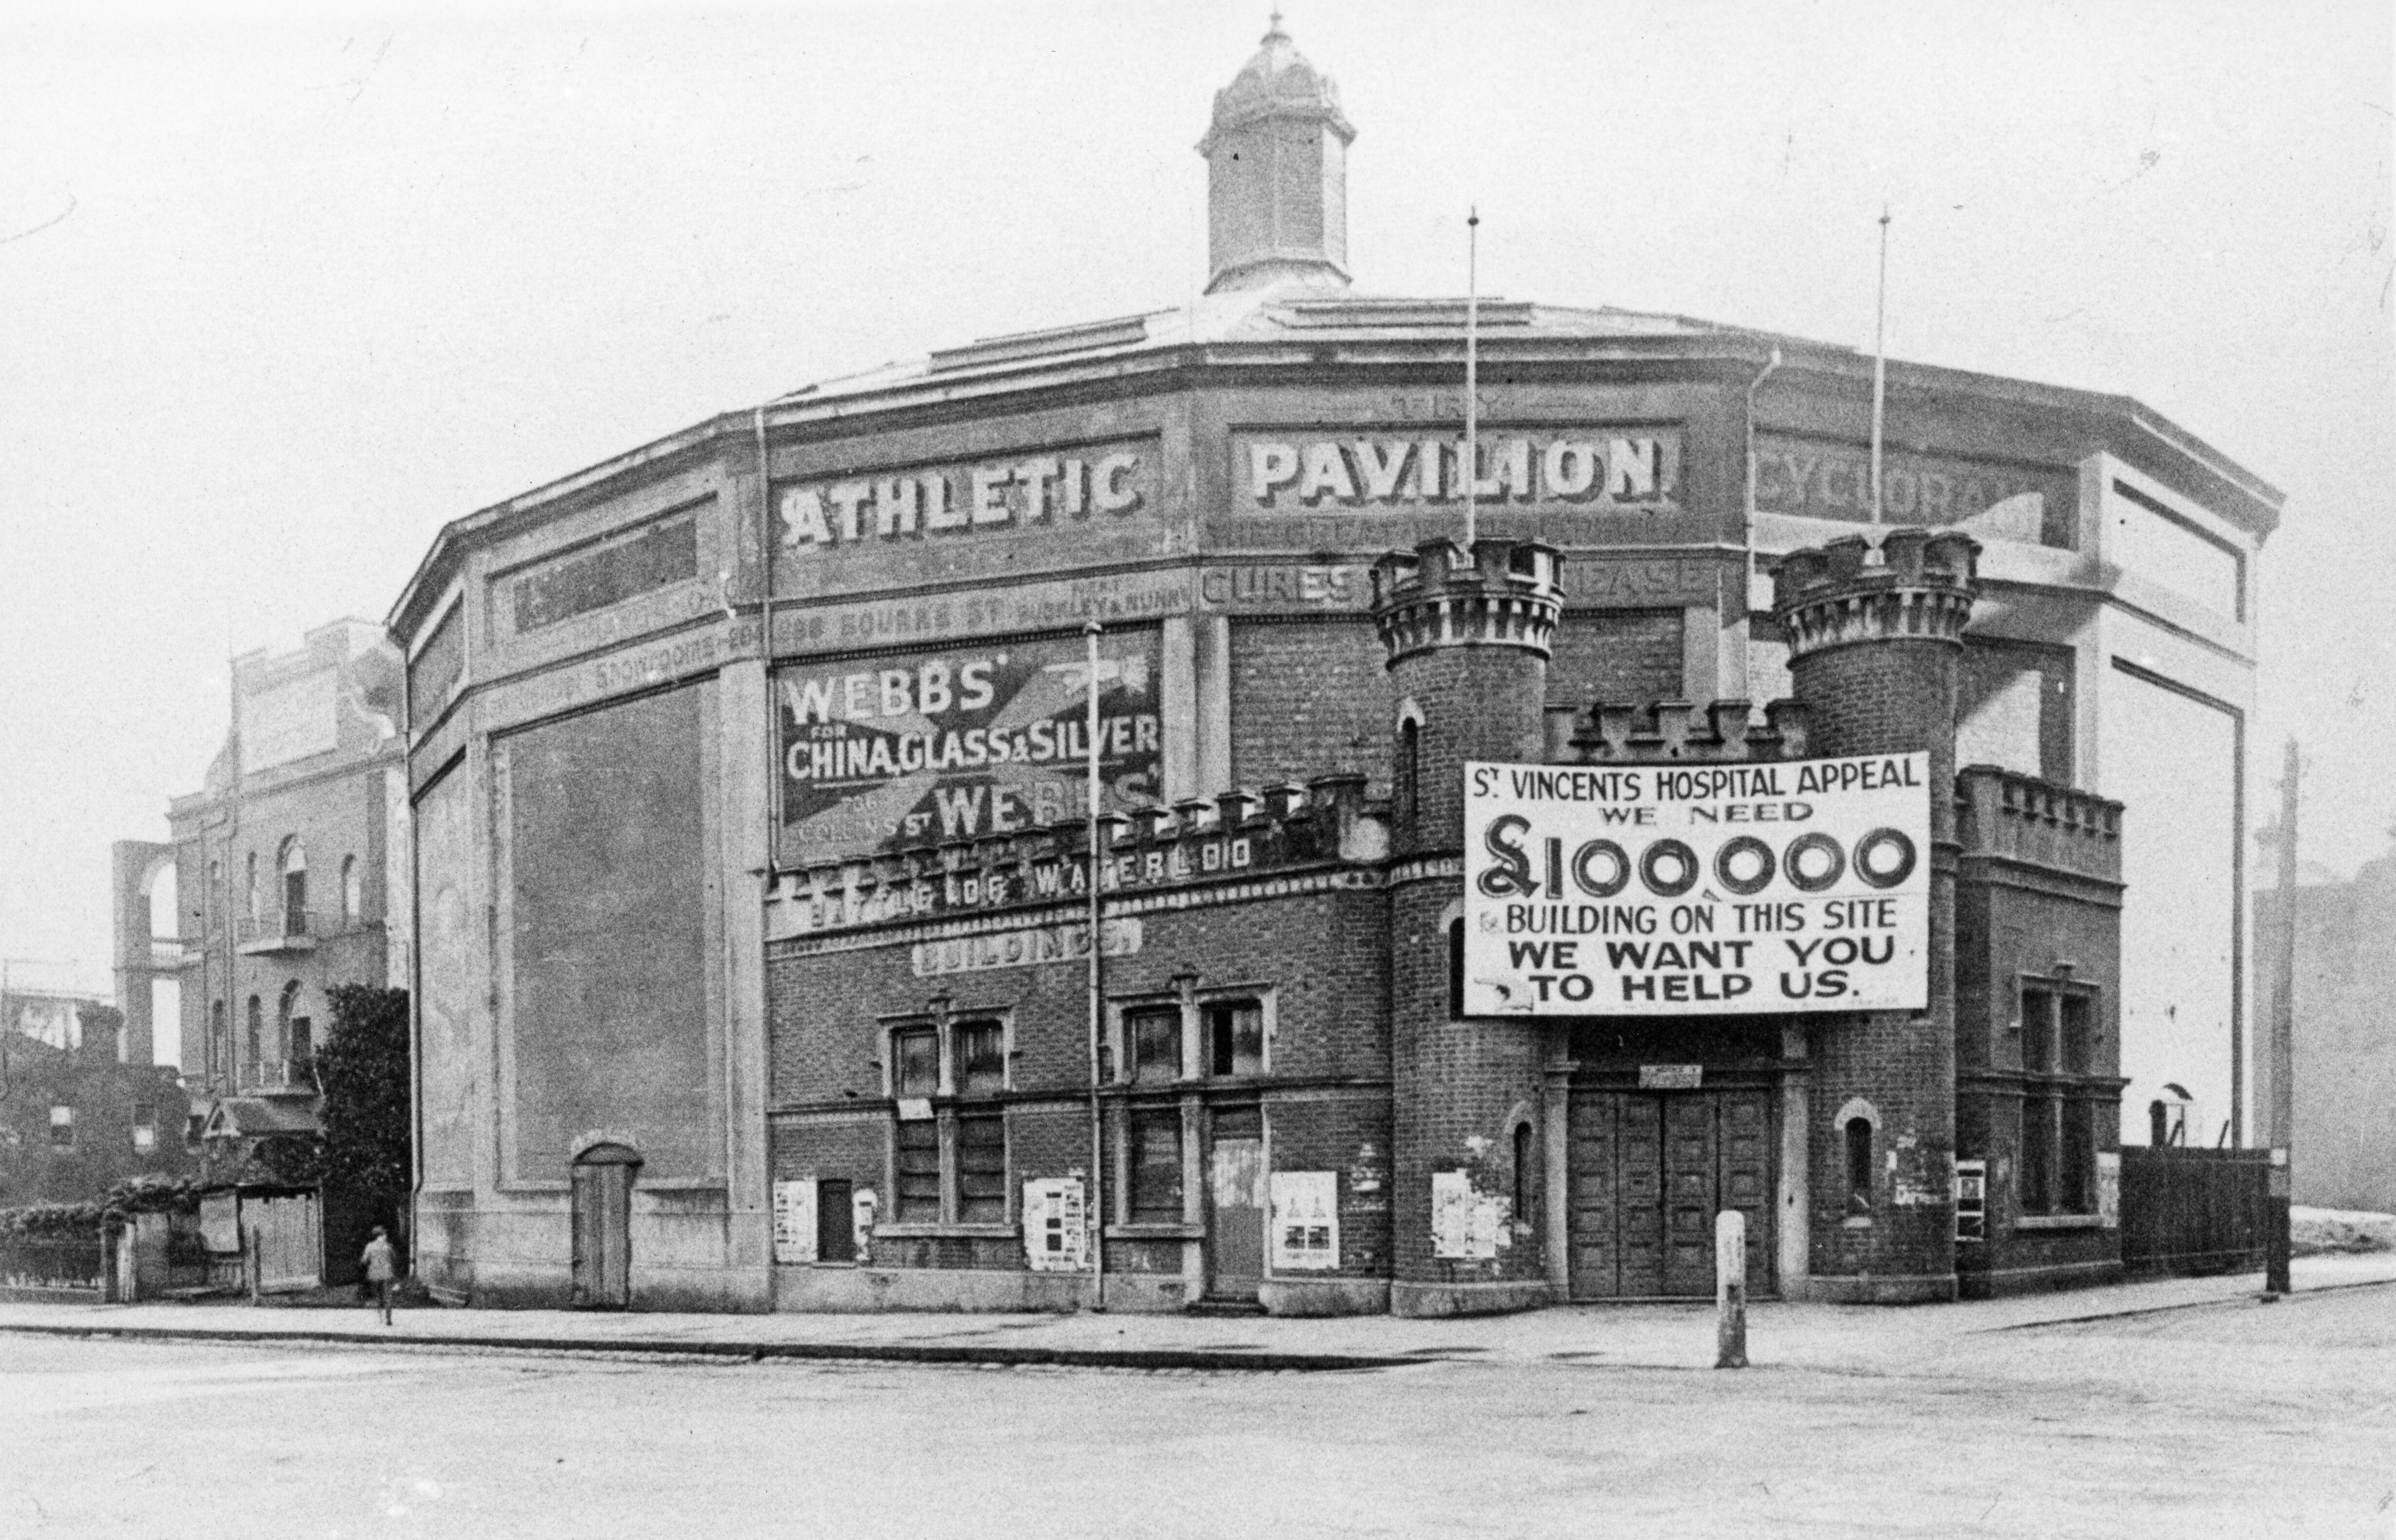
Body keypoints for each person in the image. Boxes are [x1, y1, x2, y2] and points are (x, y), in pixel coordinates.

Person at [361, 1226, 398, 1325]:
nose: (386, 1236)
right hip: (387, 1274)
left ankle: (380, 1318)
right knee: (388, 1297)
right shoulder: (388, 1246)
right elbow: (395, 1259)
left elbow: (364, 1261)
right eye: (384, 1234)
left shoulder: (370, 1246)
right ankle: (388, 1319)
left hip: (374, 1275)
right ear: (380, 1236)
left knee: (377, 1296)